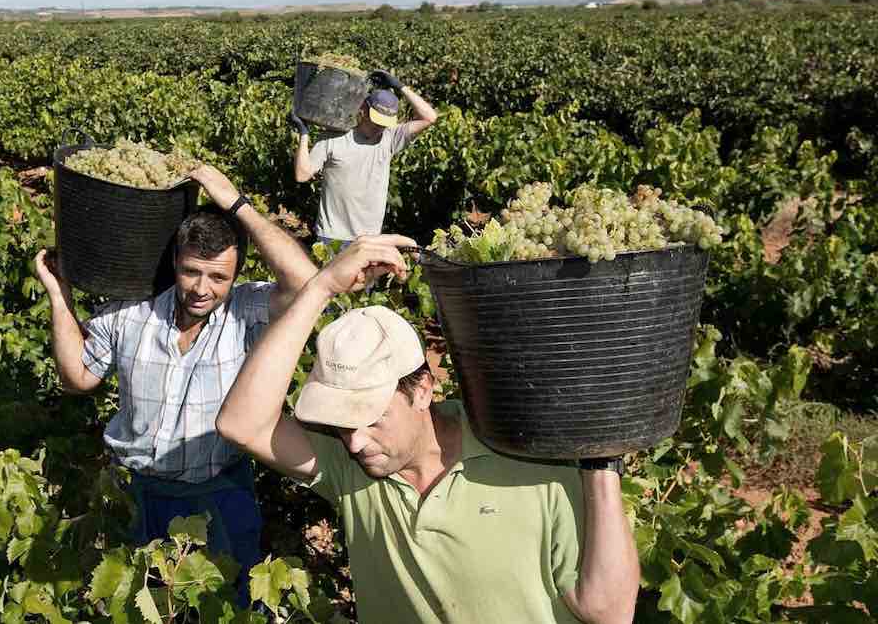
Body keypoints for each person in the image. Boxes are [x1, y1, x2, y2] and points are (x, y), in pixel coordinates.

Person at [215, 235, 641, 624]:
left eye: (370, 419)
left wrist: (601, 461)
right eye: (342, 425)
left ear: (422, 389)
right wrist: (320, 287)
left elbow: (609, 611)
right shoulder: (351, 469)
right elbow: (241, 423)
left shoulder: (530, 460)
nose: (355, 441)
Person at [33, 165, 317, 605]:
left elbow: (307, 284)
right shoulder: (130, 313)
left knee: (220, 606)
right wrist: (59, 296)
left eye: (218, 277)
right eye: (191, 272)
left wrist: (236, 202)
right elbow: (77, 378)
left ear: (237, 273)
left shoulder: (246, 314)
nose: (202, 289)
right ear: (174, 263)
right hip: (136, 494)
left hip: (217, 497)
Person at [290, 70, 438, 250]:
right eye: (376, 120)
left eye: (384, 123)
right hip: (332, 236)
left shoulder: (390, 138)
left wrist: (400, 86)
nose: (379, 127)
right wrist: (304, 134)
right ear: (363, 109)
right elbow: (302, 174)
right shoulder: (332, 138)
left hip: (370, 239)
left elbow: (430, 117)